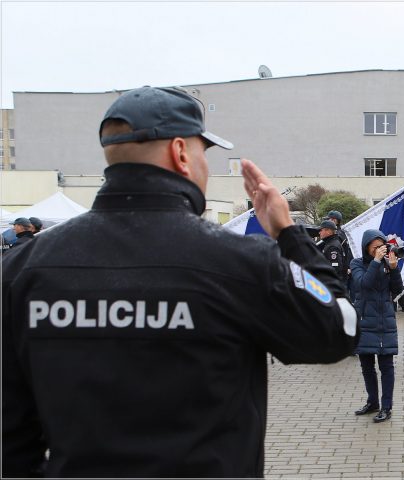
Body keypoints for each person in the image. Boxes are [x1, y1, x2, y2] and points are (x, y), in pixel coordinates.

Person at [1, 86, 357, 477]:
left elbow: (11, 440)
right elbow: (339, 328)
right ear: (181, 153)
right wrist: (289, 233)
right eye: (205, 152)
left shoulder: (22, 269)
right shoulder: (239, 261)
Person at [350, 229, 403, 423]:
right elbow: (363, 284)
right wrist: (376, 262)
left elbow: (397, 290)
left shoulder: (387, 265)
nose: (379, 250)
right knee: (366, 365)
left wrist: (394, 268)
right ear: (366, 248)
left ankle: (386, 406)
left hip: (385, 320)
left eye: (382, 246)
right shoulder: (357, 263)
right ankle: (372, 402)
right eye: (375, 247)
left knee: (386, 366)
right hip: (364, 319)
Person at [317, 219, 347, 288]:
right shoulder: (330, 244)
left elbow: (335, 268)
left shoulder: (332, 246)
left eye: (321, 230)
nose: (319, 233)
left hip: (333, 285)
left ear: (328, 231)